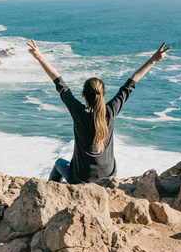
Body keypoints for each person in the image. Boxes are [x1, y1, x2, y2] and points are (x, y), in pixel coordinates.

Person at [27, 40, 171, 184]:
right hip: (108, 177)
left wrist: (40, 57)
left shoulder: (78, 112)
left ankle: (52, 191)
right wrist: (153, 60)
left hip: (80, 179)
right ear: (103, 95)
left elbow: (60, 83)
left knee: (59, 163)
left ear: (83, 94)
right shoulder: (111, 111)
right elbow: (131, 83)